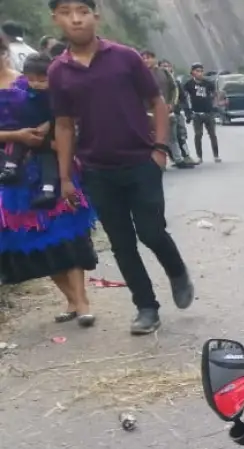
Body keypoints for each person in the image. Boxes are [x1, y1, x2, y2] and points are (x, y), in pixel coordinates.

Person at [49, 0, 194, 336]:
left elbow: (157, 103)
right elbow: (64, 125)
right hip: (97, 170)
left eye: (83, 11)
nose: (76, 19)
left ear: (95, 17)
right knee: (122, 243)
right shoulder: (59, 71)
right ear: (56, 19)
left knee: (151, 231)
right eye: (67, 12)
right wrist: (65, 177)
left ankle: (176, 271)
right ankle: (146, 307)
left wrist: (159, 149)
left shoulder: (125, 57)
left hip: (141, 162)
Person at [0, 33, 97, 327]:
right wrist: (15, 136)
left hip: (49, 163)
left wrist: (46, 132)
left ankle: (82, 303)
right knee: (33, 237)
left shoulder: (29, 79)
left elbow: (62, 115)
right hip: (11, 170)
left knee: (67, 229)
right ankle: (70, 298)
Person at [0, 53, 59, 209]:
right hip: (17, 142)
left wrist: (48, 127)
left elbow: (64, 117)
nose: (36, 84)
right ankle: (10, 169)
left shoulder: (23, 84)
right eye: (31, 80)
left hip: (49, 142)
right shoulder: (23, 85)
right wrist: (17, 135)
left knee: (49, 160)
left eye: (41, 80)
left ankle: (48, 190)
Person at [140, 50, 193, 169]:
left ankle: (178, 159)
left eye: (148, 57)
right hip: (147, 113)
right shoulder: (138, 73)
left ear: (155, 59)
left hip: (167, 112)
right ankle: (153, 163)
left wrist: (171, 104)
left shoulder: (164, 72)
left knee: (171, 137)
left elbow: (174, 89)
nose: (146, 60)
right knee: (150, 139)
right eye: (143, 58)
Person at [181, 62, 219, 164]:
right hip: (196, 113)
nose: (200, 73)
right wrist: (188, 113)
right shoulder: (188, 84)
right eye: (197, 71)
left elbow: (215, 95)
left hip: (208, 112)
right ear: (192, 72)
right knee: (198, 135)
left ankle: (216, 155)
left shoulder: (208, 83)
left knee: (212, 135)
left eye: (201, 71)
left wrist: (215, 106)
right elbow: (185, 98)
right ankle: (199, 157)